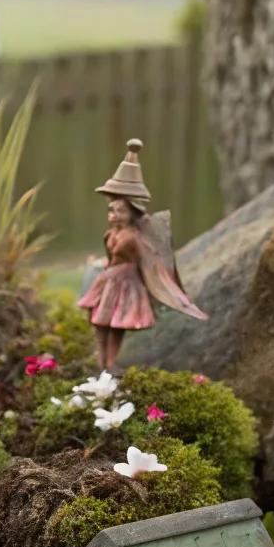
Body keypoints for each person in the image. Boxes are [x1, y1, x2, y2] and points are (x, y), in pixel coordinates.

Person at [78, 139, 206, 372]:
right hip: (109, 281)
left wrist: (158, 285)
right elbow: (110, 258)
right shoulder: (110, 235)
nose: (113, 216)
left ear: (132, 213)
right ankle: (100, 361)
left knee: (116, 324)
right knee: (99, 322)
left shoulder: (134, 238)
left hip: (126, 285)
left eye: (120, 211)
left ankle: (110, 363)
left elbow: (150, 263)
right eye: (111, 210)